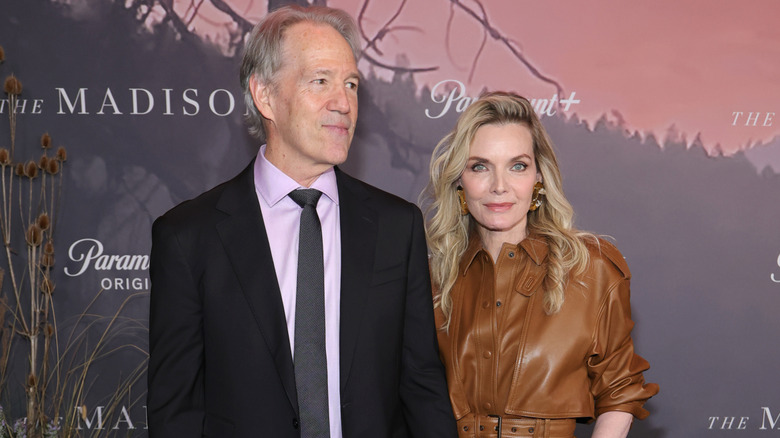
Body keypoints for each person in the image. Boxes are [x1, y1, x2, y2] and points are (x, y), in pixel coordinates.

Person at [147, 5, 456, 437]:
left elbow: (423, 389)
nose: (344, 103)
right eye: (320, 81)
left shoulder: (396, 227)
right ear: (265, 95)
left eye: (351, 84)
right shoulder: (187, 237)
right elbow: (174, 412)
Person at [423, 92, 658, 438]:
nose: (499, 186)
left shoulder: (590, 268)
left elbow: (620, 393)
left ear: (539, 177)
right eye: (480, 166)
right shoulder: (433, 279)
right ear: (460, 179)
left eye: (517, 166)